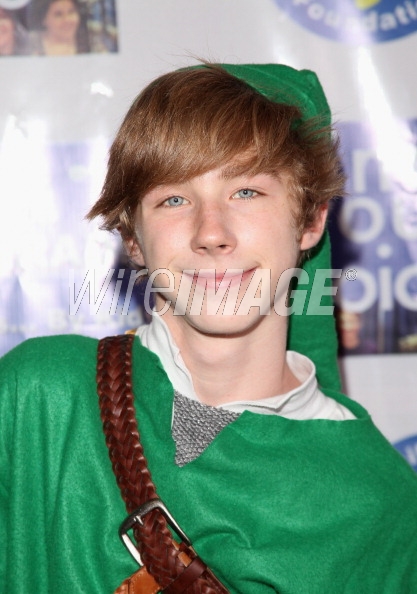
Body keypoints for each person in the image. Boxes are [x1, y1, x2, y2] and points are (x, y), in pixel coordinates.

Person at [1, 63, 417, 594]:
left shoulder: (380, 503)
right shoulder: (39, 398)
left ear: (311, 220)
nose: (211, 233)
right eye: (173, 198)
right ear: (134, 240)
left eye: (246, 191)